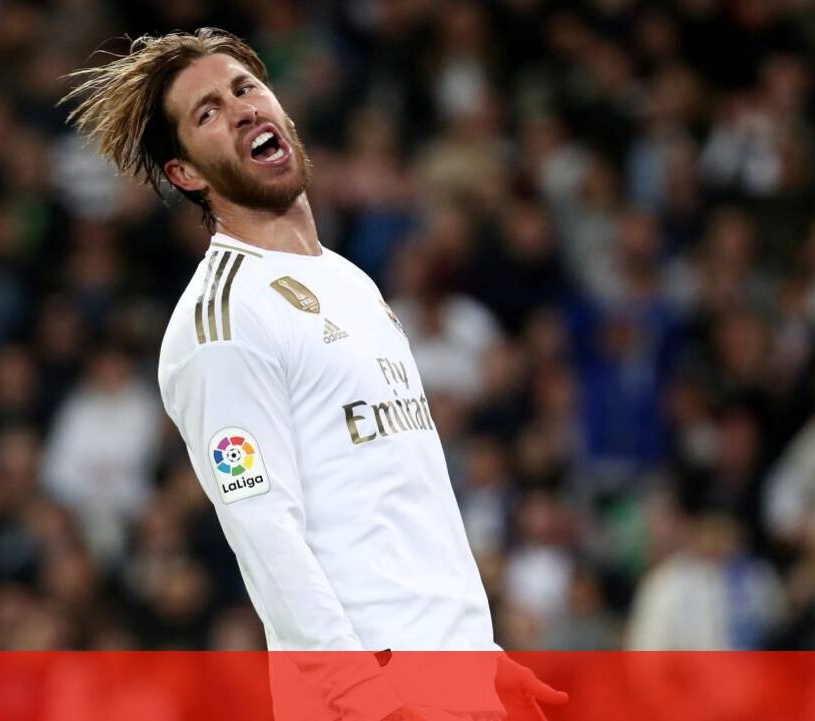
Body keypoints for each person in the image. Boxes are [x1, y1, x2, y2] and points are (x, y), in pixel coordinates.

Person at [63, 28, 567, 721]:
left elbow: (394, 494)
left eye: (245, 88)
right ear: (186, 174)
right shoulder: (222, 321)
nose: (240, 109)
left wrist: (477, 657)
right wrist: (363, 698)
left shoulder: (350, 281)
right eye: (208, 112)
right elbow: (264, 532)